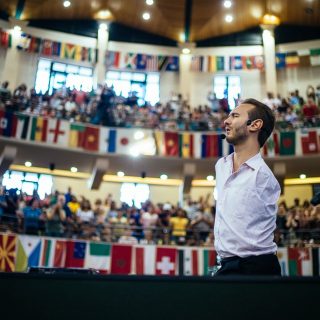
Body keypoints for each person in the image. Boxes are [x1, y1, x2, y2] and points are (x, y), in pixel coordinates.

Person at [214, 98, 281, 276]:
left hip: (256, 267)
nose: (226, 121)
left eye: (235, 116)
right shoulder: (221, 165)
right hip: (226, 265)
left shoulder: (264, 177)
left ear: (255, 125)